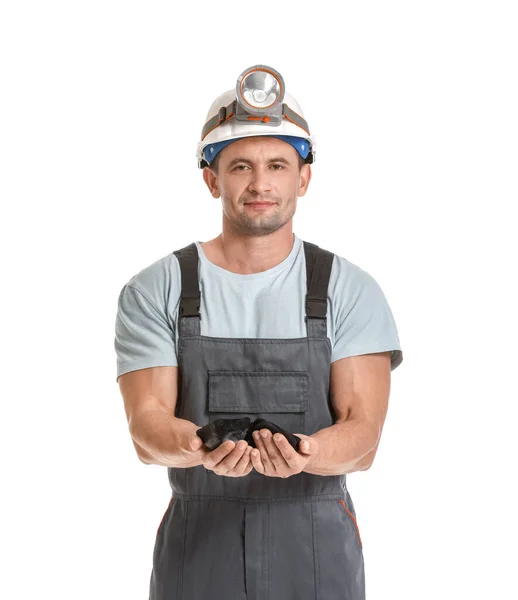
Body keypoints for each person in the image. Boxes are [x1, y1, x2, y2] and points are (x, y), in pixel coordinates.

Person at [114, 64, 403, 600]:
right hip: (198, 548)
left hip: (317, 549)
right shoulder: (157, 289)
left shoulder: (349, 289)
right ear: (211, 178)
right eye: (240, 165)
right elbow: (146, 429)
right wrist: (199, 447)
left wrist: (306, 454)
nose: (260, 183)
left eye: (278, 164)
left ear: (304, 177)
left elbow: (363, 438)